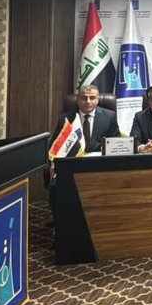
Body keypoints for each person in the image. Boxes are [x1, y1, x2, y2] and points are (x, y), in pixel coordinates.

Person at [49, 85, 120, 217]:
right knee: (54, 186)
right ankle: (60, 221)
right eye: (83, 98)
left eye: (92, 98)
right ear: (77, 100)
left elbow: (114, 142)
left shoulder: (109, 116)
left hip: (99, 163)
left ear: (97, 100)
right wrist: (53, 163)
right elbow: (55, 146)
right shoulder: (66, 118)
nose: (88, 101)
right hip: (73, 162)